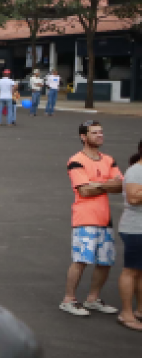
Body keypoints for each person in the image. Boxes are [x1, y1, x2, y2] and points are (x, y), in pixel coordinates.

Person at [61, 120, 123, 317]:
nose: (100, 135)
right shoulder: (76, 160)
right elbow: (85, 191)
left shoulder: (108, 159)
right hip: (85, 218)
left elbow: (121, 186)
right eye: (94, 132)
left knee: (105, 261)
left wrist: (97, 184)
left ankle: (93, 299)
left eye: (101, 132)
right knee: (81, 260)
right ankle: (69, 300)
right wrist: (106, 183)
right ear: (83, 137)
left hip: (105, 219)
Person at [118, 140, 142, 331]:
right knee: (131, 271)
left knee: (140, 272)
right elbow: (134, 198)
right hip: (135, 228)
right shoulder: (136, 171)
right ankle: (126, 314)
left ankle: (140, 311)